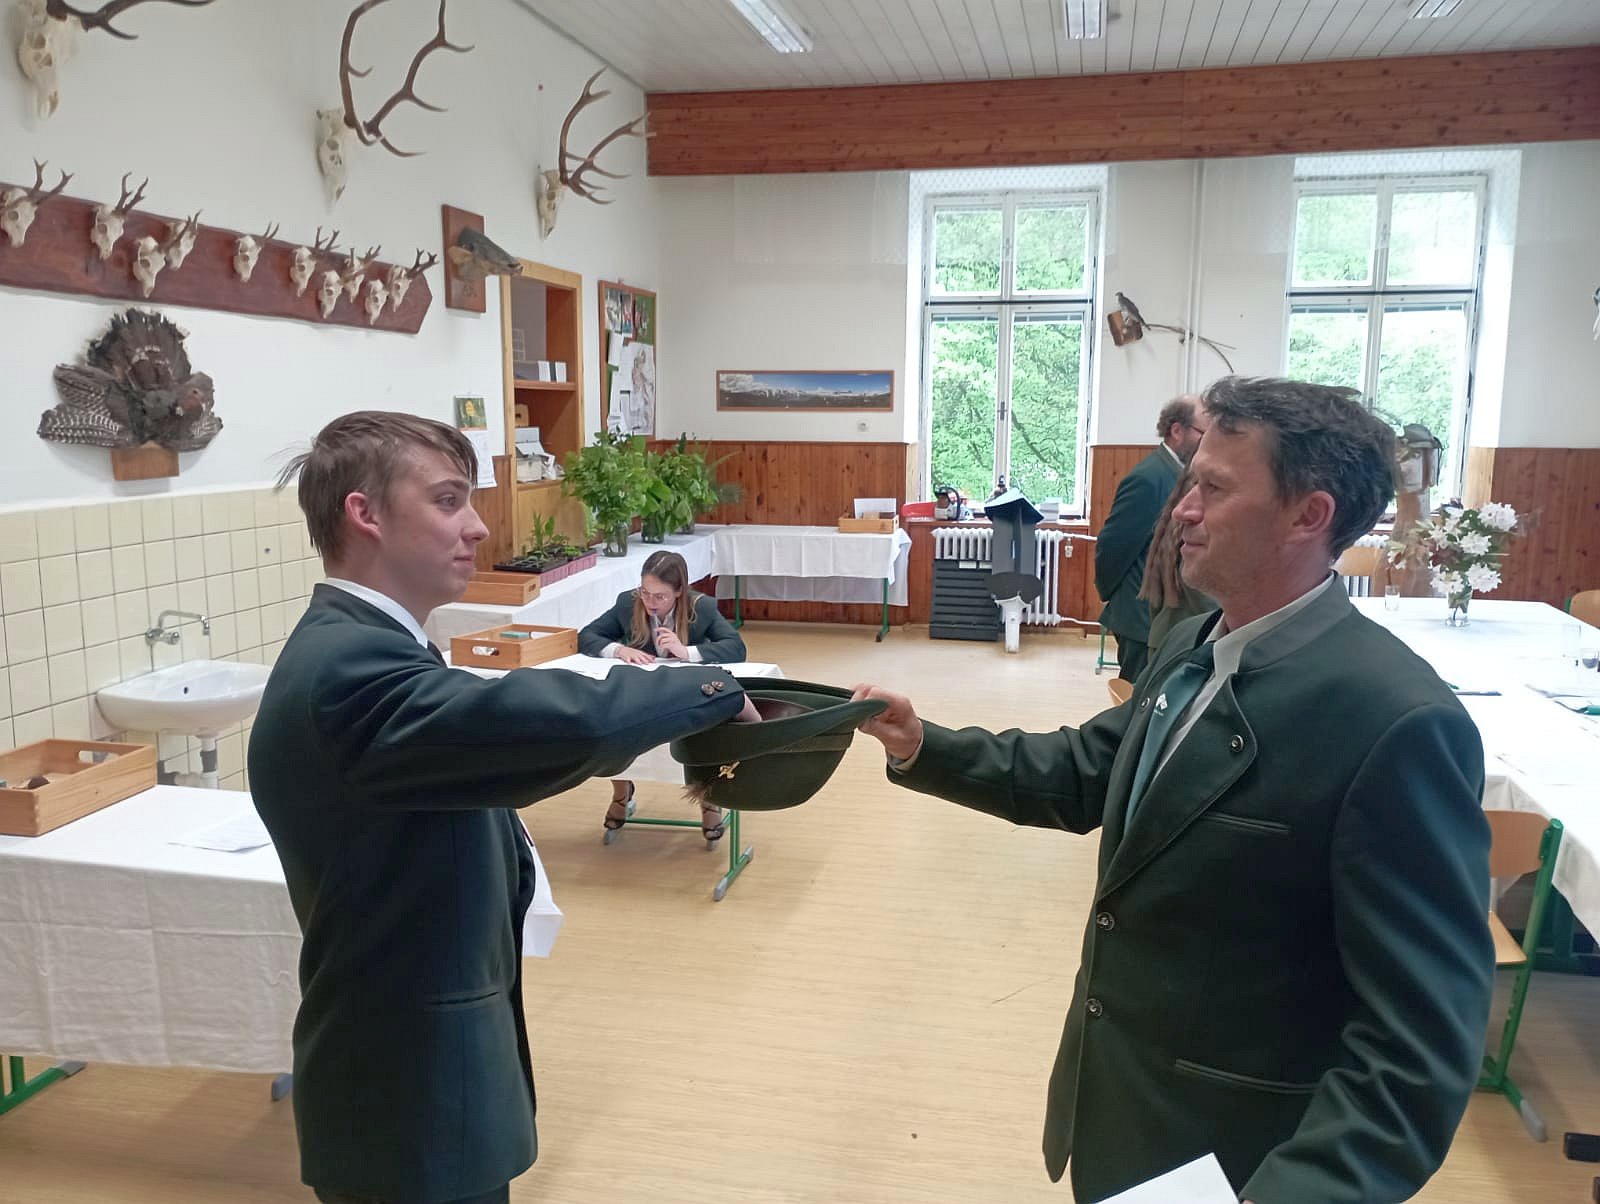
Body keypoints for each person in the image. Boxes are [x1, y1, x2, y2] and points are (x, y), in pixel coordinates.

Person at [852, 377, 1493, 1203]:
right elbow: (1091, 770)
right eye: (1190, 483)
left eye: (1214, 489)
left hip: (1239, 1161)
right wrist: (924, 745)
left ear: (1309, 516)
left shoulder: (1395, 721)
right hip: (1124, 1115)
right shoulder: (1196, 642)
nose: (1182, 510)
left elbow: (1417, 1052)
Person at [248, 412, 759, 1204]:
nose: (479, 527)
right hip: (403, 1089)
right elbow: (560, 725)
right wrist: (713, 686)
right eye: (448, 500)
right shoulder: (349, 669)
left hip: (421, 1072)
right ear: (364, 513)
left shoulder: (367, 642)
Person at [578, 549, 746, 841]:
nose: (650, 602)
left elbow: (736, 648)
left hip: (687, 692)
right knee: (612, 723)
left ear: (679, 592)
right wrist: (619, 649)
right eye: (646, 592)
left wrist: (687, 651)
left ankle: (708, 801)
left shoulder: (701, 607)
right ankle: (621, 793)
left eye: (660, 596)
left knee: (706, 732)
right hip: (643, 691)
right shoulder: (628, 602)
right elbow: (587, 636)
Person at [1094, 395, 1205, 681]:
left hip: (1160, 617)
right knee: (1136, 697)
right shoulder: (1150, 477)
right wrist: (1111, 594)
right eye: (1202, 433)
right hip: (1140, 618)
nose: (1207, 442)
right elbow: (1113, 545)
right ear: (1177, 430)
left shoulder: (1179, 474)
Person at [1138, 466, 1217, 653]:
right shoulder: (1192, 542)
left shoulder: (1171, 534)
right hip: (1185, 645)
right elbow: (1210, 608)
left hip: (1166, 638)